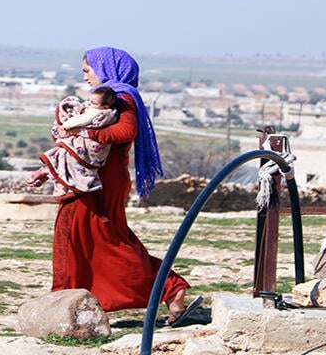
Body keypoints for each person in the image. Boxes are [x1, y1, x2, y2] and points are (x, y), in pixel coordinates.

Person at [26, 47, 201, 327]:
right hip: (89, 181)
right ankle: (72, 309)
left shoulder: (121, 98)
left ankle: (169, 287)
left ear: (105, 68)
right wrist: (48, 171)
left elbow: (124, 132)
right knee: (82, 241)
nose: (85, 77)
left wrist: (81, 130)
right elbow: (79, 148)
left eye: (87, 70)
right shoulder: (106, 100)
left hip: (101, 184)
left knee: (106, 243)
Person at [34, 86, 119, 200]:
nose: (88, 104)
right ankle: (49, 173)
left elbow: (80, 121)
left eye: (93, 103)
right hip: (93, 145)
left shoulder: (96, 113)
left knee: (68, 159)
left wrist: (66, 126)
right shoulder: (109, 112)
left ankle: (54, 176)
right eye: (88, 100)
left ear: (105, 106)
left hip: (89, 146)